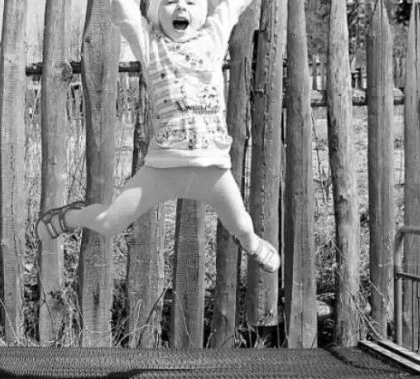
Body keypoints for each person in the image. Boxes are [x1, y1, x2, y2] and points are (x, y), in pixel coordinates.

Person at [37, 0, 279, 273]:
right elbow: (126, 12)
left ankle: (252, 243)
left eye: (190, 2)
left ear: (203, 10)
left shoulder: (214, 36)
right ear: (156, 12)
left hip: (213, 170)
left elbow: (232, 5)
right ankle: (71, 217)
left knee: (243, 225)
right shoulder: (149, 44)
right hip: (162, 170)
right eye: (170, 2)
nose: (181, 7)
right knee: (109, 223)